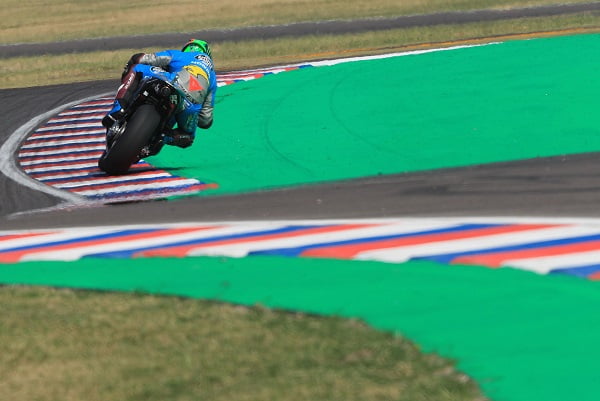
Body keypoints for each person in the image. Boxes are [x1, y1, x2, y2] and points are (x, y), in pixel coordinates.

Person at [102, 39, 217, 150]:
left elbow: (145, 59)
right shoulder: (212, 79)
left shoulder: (181, 55)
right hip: (190, 106)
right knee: (188, 137)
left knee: (136, 68)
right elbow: (205, 121)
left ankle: (118, 108)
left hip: (171, 81)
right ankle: (163, 137)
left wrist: (135, 59)